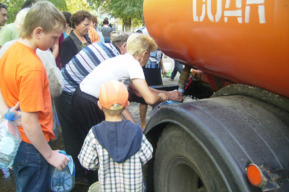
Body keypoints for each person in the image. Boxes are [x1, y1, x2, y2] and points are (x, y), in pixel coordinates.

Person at [0, 2, 69, 191]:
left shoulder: (10, 51)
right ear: (38, 32)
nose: (56, 43)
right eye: (54, 37)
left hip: (18, 140)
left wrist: (7, 112)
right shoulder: (32, 66)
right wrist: (49, 155)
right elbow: (30, 121)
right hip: (32, 146)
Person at [71, 33, 182, 138]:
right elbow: (150, 99)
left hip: (81, 98)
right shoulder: (133, 65)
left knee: (93, 141)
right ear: (144, 54)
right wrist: (164, 96)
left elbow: (140, 91)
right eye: (149, 54)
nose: (148, 58)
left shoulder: (123, 59)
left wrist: (134, 125)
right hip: (89, 103)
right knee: (98, 142)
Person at [55, 34, 129, 185]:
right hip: (67, 91)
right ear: (123, 46)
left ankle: (83, 171)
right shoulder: (113, 58)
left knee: (76, 132)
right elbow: (115, 90)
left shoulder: (104, 46)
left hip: (67, 87)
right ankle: (80, 174)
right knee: (74, 134)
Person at [78, 80, 153, 192]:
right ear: (127, 105)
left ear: (99, 105)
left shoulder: (95, 133)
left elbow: (87, 162)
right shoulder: (136, 130)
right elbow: (147, 155)